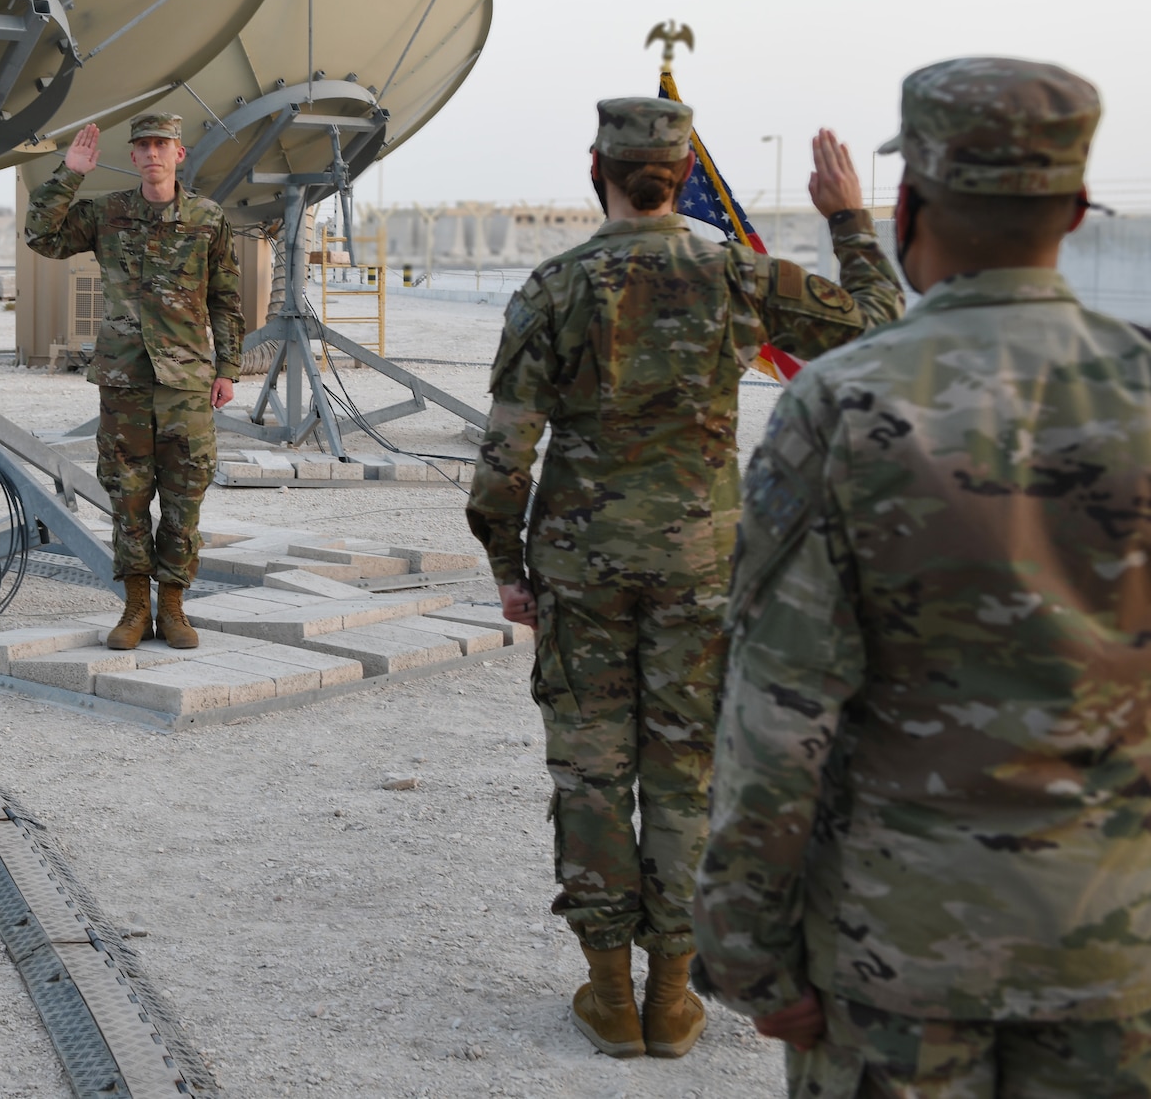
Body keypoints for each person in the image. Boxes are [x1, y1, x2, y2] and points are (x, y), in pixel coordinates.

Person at [694, 59, 1151, 1096]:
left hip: (891, 961)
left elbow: (775, 713)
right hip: (1114, 955)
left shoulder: (840, 408)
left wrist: (745, 950)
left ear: (907, 205)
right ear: (1074, 209)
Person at [465, 97, 903, 1061]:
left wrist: (508, 569)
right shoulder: (735, 274)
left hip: (581, 571)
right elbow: (879, 327)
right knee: (685, 775)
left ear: (598, 172)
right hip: (701, 568)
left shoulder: (552, 287)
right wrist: (849, 220)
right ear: (678, 174)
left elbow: (504, 463)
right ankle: (671, 995)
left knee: (589, 772)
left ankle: (607, 993)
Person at [24, 113, 244, 650]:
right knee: (127, 495)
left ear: (178, 154)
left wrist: (229, 368)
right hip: (123, 380)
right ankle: (134, 606)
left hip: (187, 382)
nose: (151, 154)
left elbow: (225, 298)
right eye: (142, 145)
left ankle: (173, 607)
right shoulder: (108, 213)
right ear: (134, 154)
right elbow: (41, 237)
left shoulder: (209, 219)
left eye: (161, 145)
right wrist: (70, 173)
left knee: (185, 492)